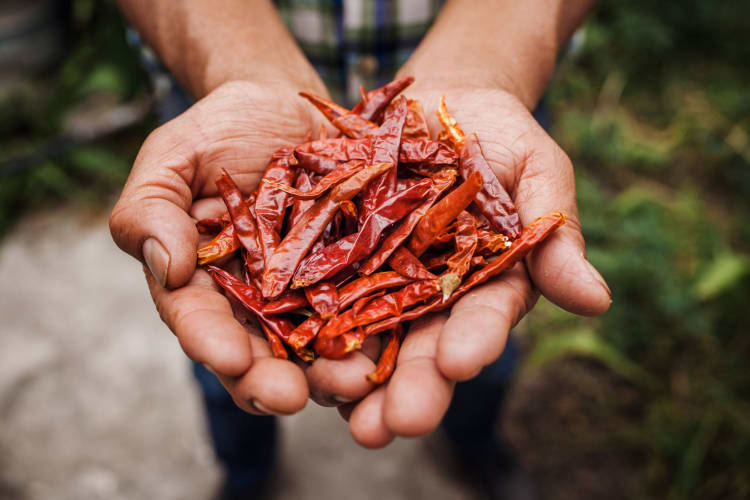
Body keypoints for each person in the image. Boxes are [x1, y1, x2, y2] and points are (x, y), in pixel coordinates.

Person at [109, 1, 611, 498]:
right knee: (227, 356)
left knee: (480, 357)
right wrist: (241, 67)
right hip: (208, 80)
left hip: (498, 59)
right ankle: (245, 475)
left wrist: (486, 66)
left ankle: (476, 446)